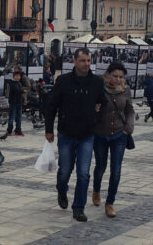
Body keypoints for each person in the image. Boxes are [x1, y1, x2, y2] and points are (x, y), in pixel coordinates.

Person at [45, 47, 106, 222]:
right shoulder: (63, 81)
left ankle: (78, 207)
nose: (86, 64)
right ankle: (62, 190)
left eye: (88, 61)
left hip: (87, 134)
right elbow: (51, 106)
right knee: (65, 170)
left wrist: (97, 117)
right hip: (66, 133)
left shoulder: (96, 82)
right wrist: (49, 129)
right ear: (74, 61)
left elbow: (103, 102)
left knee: (84, 173)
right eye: (82, 60)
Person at [92, 62, 134, 218]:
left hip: (119, 134)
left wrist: (128, 127)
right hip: (100, 134)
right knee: (100, 166)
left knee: (116, 169)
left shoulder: (125, 90)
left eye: (121, 77)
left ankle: (110, 202)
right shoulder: (99, 89)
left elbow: (129, 110)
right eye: (115, 76)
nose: (118, 79)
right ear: (107, 75)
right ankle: (96, 190)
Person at [5, 71, 25, 136]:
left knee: (19, 118)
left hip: (19, 103)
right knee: (11, 118)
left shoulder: (19, 83)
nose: (18, 77)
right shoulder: (12, 83)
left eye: (19, 76)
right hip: (13, 103)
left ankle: (18, 131)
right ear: (13, 77)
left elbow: (20, 94)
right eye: (16, 76)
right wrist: (22, 90)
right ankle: (9, 131)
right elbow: (16, 90)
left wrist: (23, 100)